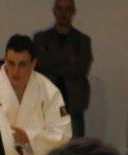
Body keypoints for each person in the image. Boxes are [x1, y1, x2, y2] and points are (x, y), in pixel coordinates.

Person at [33, 0, 92, 138]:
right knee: (45, 146)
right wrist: (68, 59)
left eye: (67, 9)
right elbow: (38, 64)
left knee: (75, 147)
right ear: (54, 11)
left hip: (73, 103)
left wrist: (51, 60)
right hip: (46, 102)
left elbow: (81, 68)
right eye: (60, 9)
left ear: (73, 12)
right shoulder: (40, 38)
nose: (63, 13)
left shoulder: (83, 40)